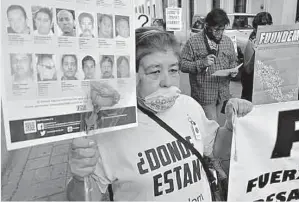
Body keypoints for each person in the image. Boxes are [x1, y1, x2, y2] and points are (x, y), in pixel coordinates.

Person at [66, 27, 253, 201]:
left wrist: (230, 125)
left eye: (173, 70)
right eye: (154, 72)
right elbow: (85, 197)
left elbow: (215, 149)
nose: (167, 82)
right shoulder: (110, 129)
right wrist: (79, 177)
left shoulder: (189, 106)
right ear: (131, 76)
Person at [180, 8, 239, 124]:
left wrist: (234, 70)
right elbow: (182, 65)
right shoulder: (193, 42)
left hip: (223, 94)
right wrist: (202, 63)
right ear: (207, 26)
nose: (219, 33)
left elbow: (233, 60)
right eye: (216, 30)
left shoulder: (227, 41)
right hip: (204, 95)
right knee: (211, 129)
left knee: (223, 126)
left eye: (222, 30)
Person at [241, 12, 273, 102]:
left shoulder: (272, 40)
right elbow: (247, 69)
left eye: (268, 26)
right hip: (252, 86)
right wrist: (256, 53)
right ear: (255, 29)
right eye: (262, 27)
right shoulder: (251, 42)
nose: (266, 30)